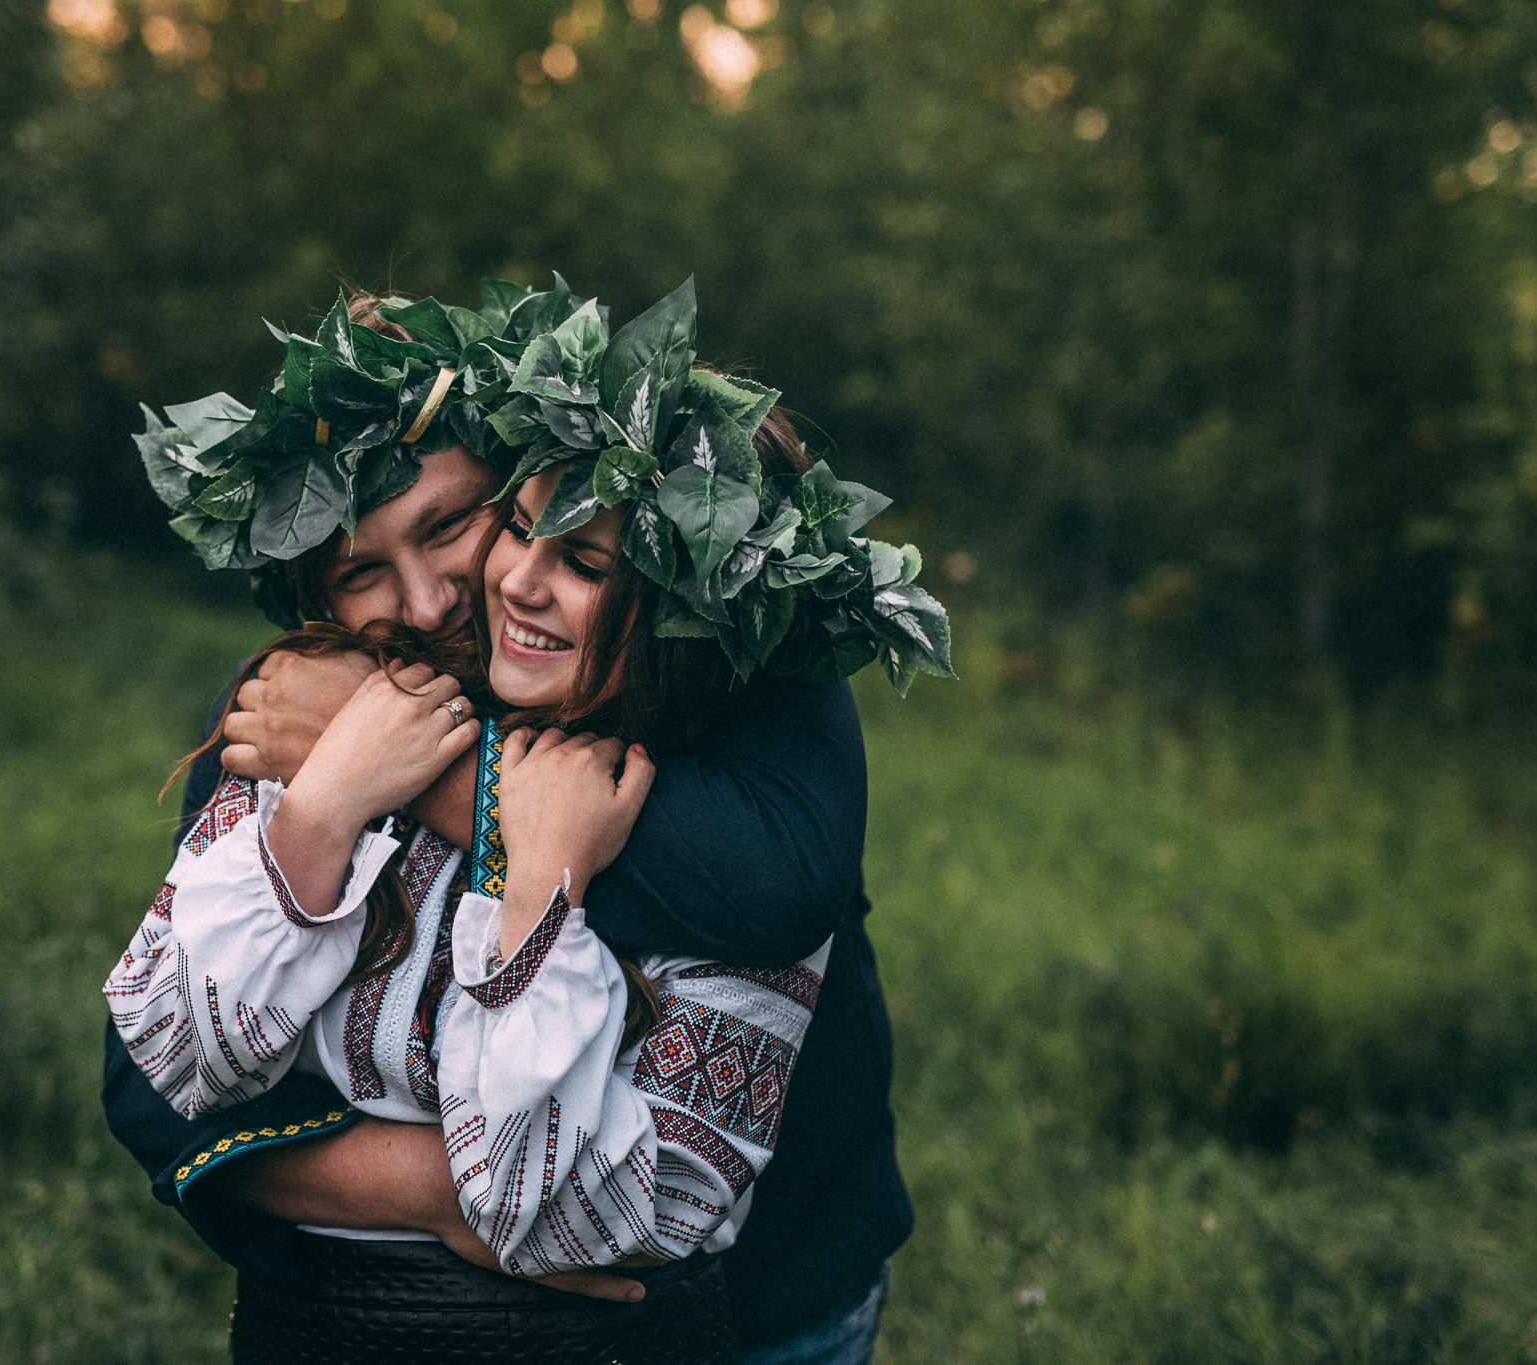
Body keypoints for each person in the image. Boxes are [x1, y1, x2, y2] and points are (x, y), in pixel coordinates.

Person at [104, 279, 947, 1361]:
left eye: (451, 525)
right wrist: (438, 1191)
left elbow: (775, 883)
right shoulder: (297, 716)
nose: (427, 602)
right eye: (359, 571)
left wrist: (440, 782)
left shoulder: (727, 639)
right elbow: (149, 1074)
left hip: (774, 1284)